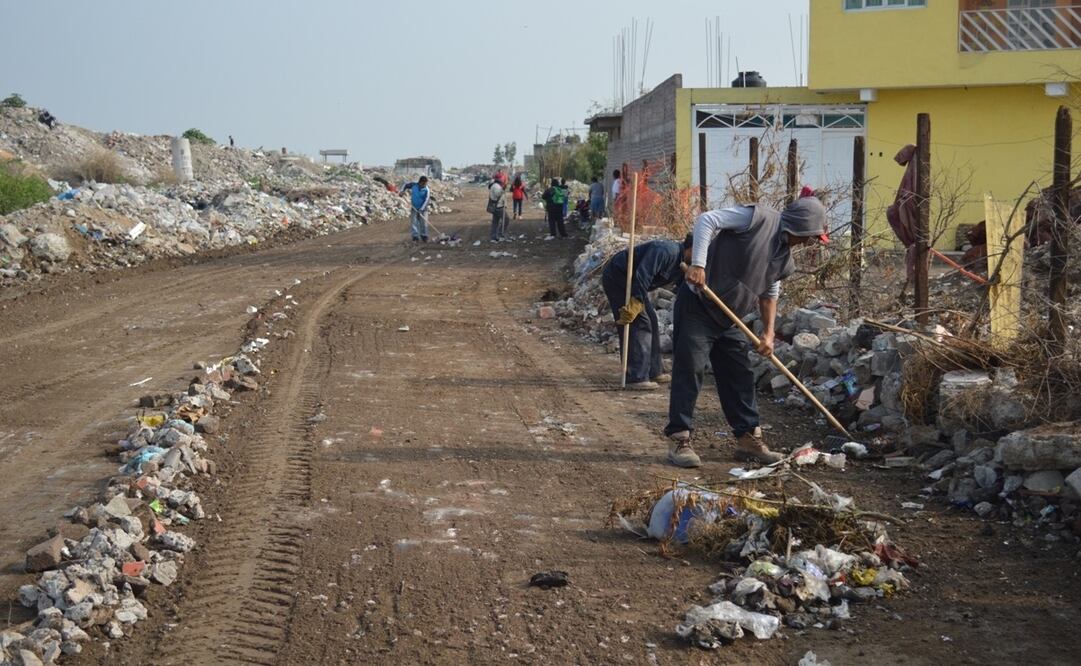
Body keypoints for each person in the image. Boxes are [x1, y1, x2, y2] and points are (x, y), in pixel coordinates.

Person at [664, 196, 830, 468]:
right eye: (812, 236)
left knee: (740, 373)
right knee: (691, 368)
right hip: (698, 304)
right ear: (801, 227)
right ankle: (679, 438)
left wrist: (768, 334)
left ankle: (747, 439)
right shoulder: (758, 218)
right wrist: (699, 264)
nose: (810, 243)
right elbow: (708, 220)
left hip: (729, 319)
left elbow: (769, 292)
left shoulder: (784, 260)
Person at [602, 235, 693, 390]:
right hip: (618, 278)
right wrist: (636, 302)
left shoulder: (683, 264)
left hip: (635, 284)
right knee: (639, 323)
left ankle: (653, 370)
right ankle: (636, 376)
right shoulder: (665, 251)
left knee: (652, 321)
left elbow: (682, 288)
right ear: (692, 248)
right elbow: (643, 274)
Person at [406, 175, 431, 242]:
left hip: (423, 209)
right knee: (414, 222)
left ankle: (424, 236)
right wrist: (402, 191)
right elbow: (405, 185)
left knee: (424, 223)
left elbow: (426, 200)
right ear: (420, 182)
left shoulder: (427, 189)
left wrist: (421, 209)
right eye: (423, 184)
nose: (425, 185)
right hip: (414, 207)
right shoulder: (413, 185)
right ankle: (415, 236)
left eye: (426, 184)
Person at [488, 177, 507, 242]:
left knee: (495, 222)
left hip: (497, 206)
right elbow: (498, 194)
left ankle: (494, 236)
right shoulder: (496, 186)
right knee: (506, 220)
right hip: (499, 207)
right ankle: (499, 234)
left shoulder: (495, 186)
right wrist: (503, 189)